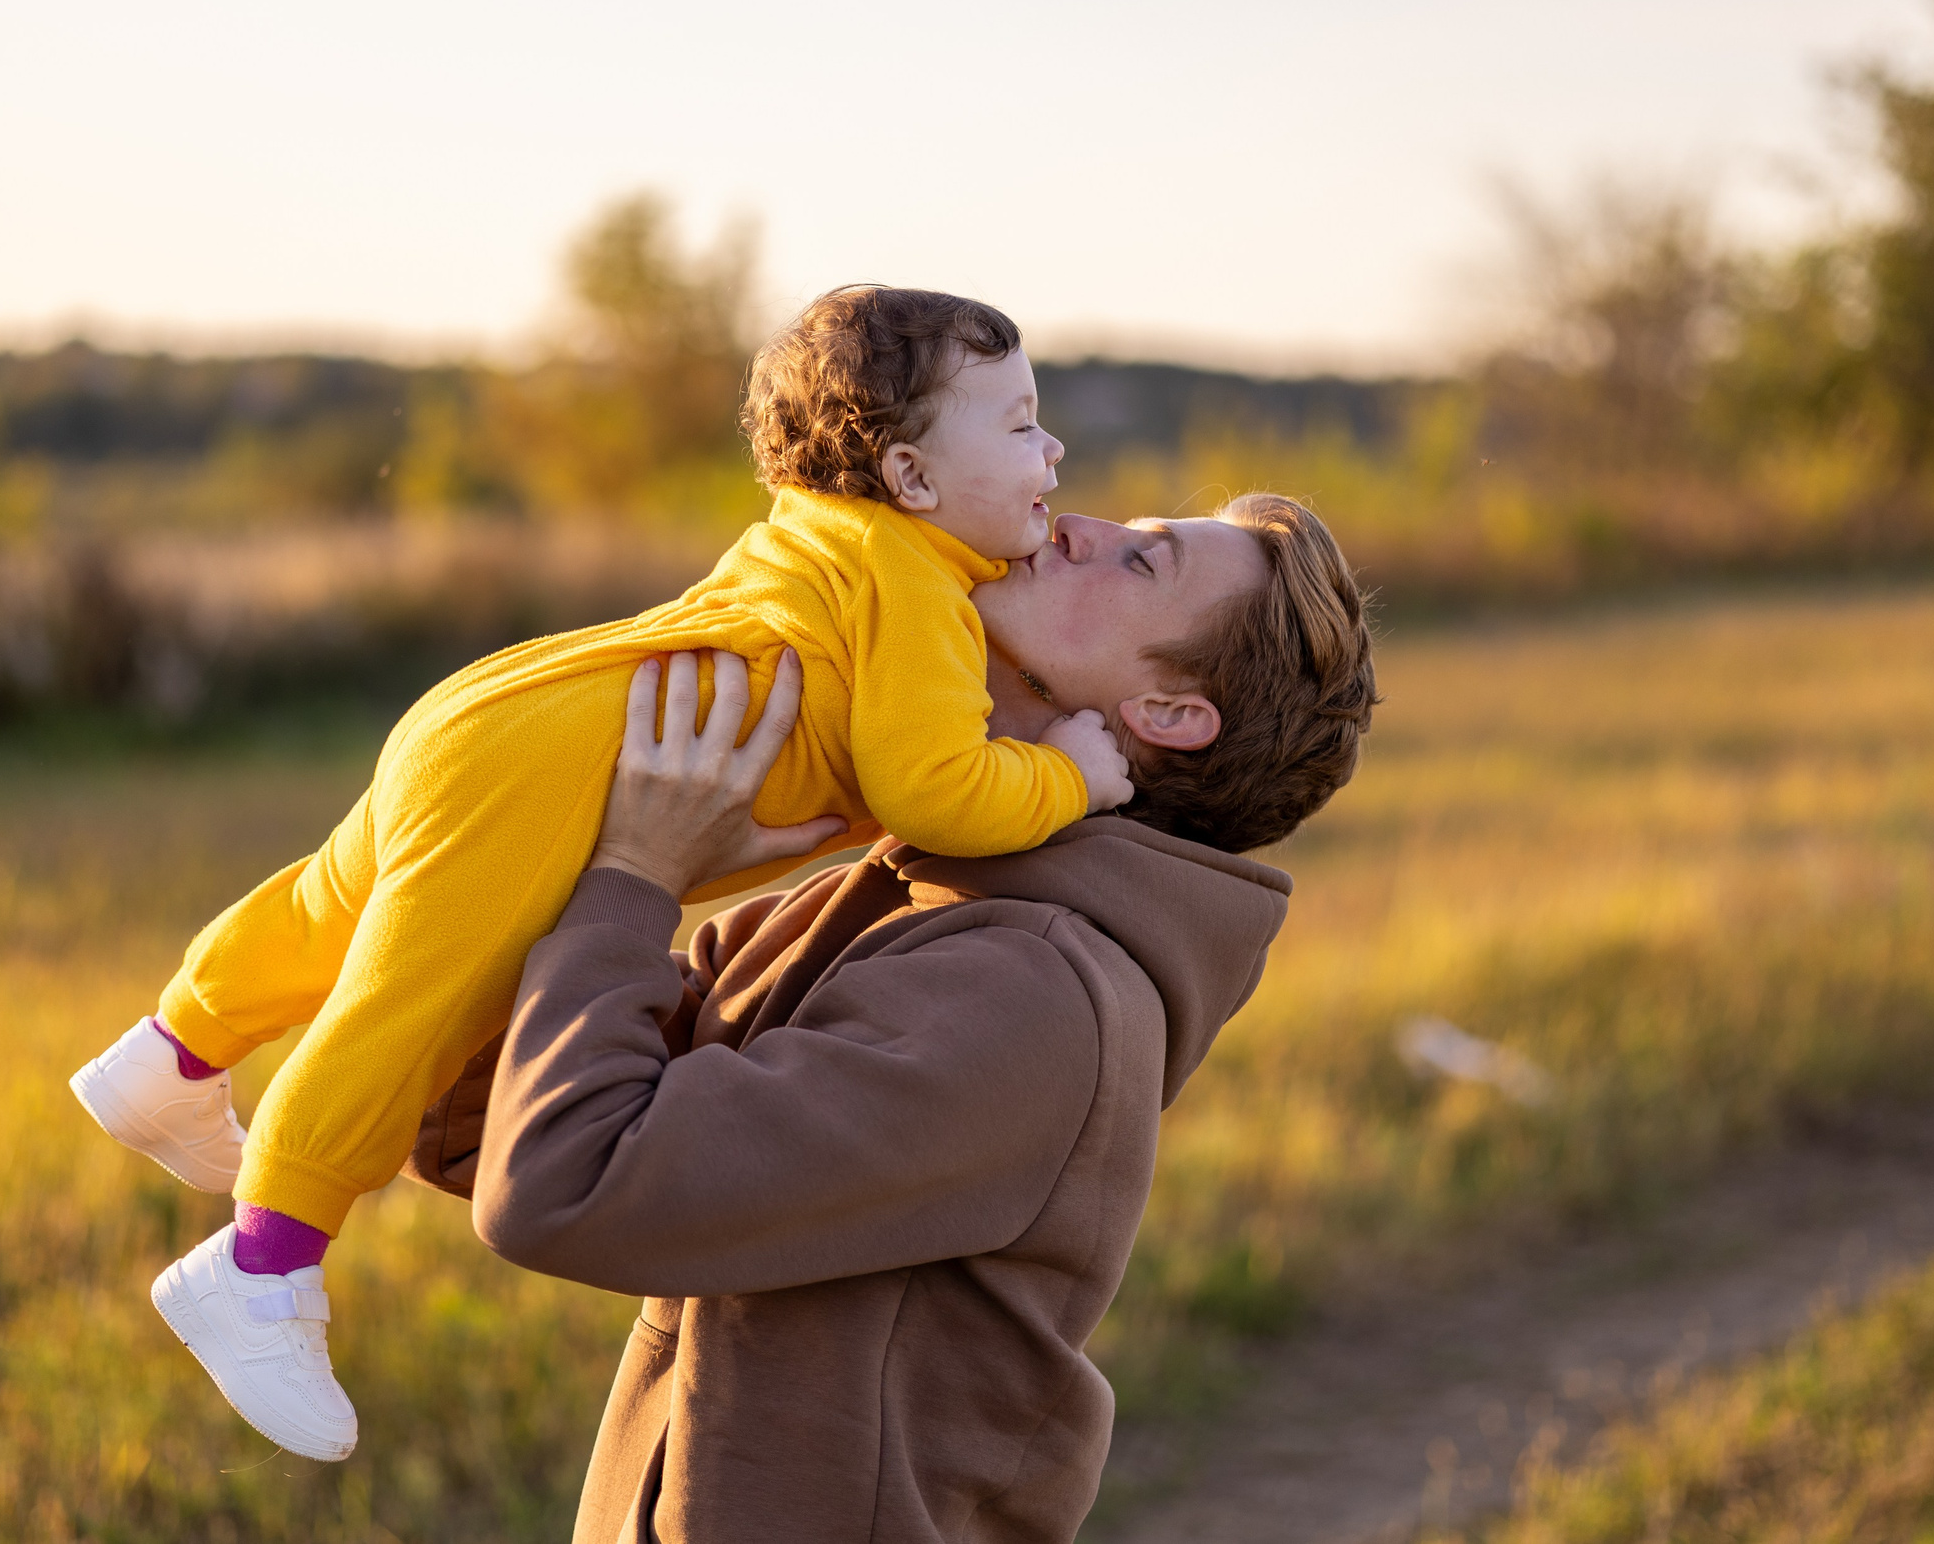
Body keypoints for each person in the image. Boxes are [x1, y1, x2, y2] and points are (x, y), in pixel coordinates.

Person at [68, 287, 1171, 1460]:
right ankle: (261, 1264)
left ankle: (169, 1054)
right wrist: (1070, 779)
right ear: (908, 478)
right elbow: (933, 789)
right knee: (411, 1001)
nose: (1054, 452)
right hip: (560, 773)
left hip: (511, 708)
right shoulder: (919, 592)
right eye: (1020, 425)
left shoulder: (820, 524)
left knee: (329, 907)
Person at [425, 492, 1377, 1540]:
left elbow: (562, 1184)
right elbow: (478, 1125)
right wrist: (555, 848)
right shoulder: (910, 895)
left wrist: (636, 877)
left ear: (1165, 715)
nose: (1077, 524)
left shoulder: (1027, 988)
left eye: (1142, 564)